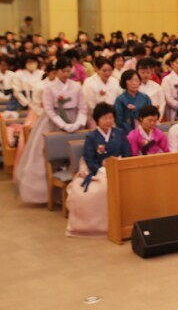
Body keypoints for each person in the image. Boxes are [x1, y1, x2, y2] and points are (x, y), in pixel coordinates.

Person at [15, 56, 88, 205]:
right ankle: (50, 193)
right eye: (63, 71)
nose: (66, 74)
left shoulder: (76, 86)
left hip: (74, 119)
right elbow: (48, 109)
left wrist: (79, 122)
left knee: (75, 155)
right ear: (57, 71)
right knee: (45, 154)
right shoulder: (49, 87)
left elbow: (82, 107)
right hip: (52, 122)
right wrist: (63, 124)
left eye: (68, 71)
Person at [65, 102, 131, 238]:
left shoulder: (119, 133)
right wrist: (100, 169)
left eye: (111, 118)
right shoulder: (91, 136)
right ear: (97, 120)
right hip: (98, 170)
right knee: (101, 189)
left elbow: (127, 153)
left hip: (119, 167)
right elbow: (89, 159)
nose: (108, 121)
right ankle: (103, 226)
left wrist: (119, 165)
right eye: (104, 118)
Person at [83, 57, 122, 121]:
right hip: (95, 116)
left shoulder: (115, 81)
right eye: (104, 71)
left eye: (110, 70)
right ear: (97, 69)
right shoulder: (89, 82)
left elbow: (119, 99)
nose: (107, 73)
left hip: (113, 115)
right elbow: (89, 103)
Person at [114, 70, 152, 134]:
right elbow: (119, 119)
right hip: (125, 132)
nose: (134, 83)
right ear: (124, 82)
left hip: (144, 130)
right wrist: (132, 132)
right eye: (130, 81)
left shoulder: (145, 98)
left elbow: (150, 115)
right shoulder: (120, 99)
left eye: (137, 80)